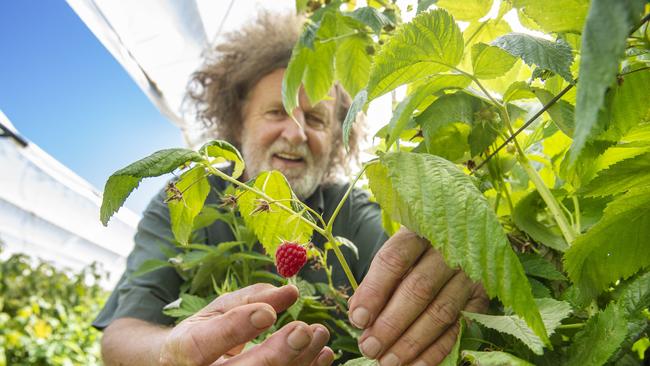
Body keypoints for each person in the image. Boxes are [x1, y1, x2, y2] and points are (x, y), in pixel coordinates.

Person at [95, 11, 487, 366]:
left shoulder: (346, 210)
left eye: (316, 119)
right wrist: (173, 352)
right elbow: (122, 335)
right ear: (237, 123)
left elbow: (402, 264)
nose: (296, 133)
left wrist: (455, 261)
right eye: (276, 111)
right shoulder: (183, 198)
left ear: (337, 139)